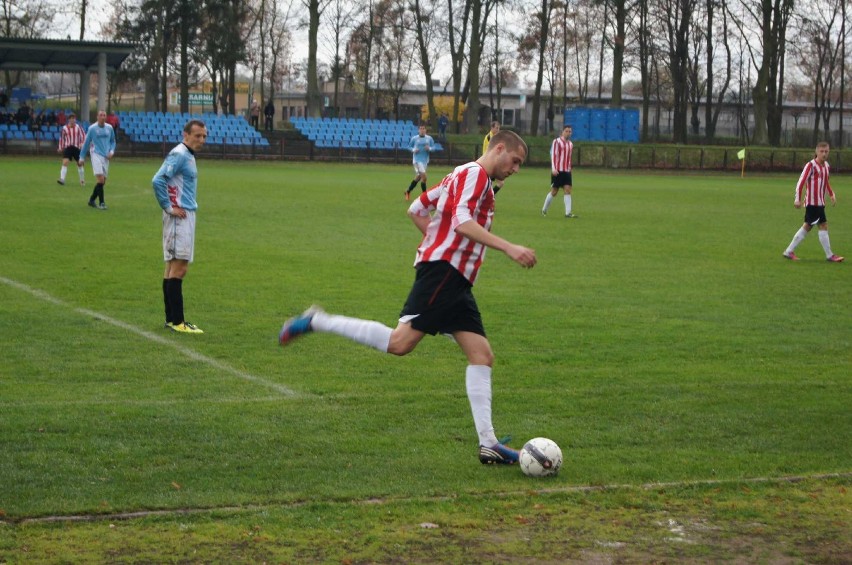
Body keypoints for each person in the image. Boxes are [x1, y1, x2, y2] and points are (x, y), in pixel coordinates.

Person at [279, 130, 537, 466]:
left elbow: (416, 209)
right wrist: (508, 247)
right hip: (444, 273)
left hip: (454, 278)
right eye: (515, 161)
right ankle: (317, 321)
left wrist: (438, 239)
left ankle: (488, 443)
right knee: (399, 343)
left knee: (481, 355)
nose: (516, 169)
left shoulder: (458, 173)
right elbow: (461, 221)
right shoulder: (475, 174)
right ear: (499, 148)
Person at [152, 119, 209, 334]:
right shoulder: (180, 154)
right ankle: (178, 322)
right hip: (179, 216)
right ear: (185, 135)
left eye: (204, 136)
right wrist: (168, 207)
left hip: (184, 215)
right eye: (197, 135)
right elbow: (158, 180)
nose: (201, 140)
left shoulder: (187, 155)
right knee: (179, 268)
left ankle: (171, 320)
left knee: (171, 267)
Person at [783, 141, 843, 262]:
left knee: (809, 226)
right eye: (822, 151)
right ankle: (829, 255)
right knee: (821, 225)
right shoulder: (810, 165)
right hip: (812, 203)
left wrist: (831, 194)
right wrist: (797, 199)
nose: (824, 154)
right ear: (816, 152)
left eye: (826, 151)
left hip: (820, 203)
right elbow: (801, 182)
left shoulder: (826, 166)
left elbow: (826, 182)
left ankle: (789, 251)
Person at [78, 109, 116, 210]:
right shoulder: (92, 128)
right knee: (100, 179)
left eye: (104, 115)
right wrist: (81, 157)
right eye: (101, 115)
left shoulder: (110, 128)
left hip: (106, 156)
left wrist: (111, 152)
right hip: (95, 154)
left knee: (103, 182)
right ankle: (102, 203)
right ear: (97, 117)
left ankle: (91, 200)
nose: (103, 117)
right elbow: (86, 143)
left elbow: (113, 141)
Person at [541, 124, 576, 218]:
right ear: (562, 132)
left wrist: (570, 168)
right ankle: (544, 209)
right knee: (554, 191)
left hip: (566, 170)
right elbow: (553, 155)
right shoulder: (556, 142)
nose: (568, 133)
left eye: (570, 131)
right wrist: (553, 168)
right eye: (566, 131)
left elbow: (569, 158)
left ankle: (568, 213)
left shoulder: (571, 144)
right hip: (558, 170)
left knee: (567, 190)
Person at [403, 124, 435, 201]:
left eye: (423, 128)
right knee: (424, 177)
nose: (422, 130)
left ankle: (408, 191)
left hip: (425, 161)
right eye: (420, 128)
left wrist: (429, 149)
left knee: (418, 177)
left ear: (425, 130)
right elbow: (408, 147)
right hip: (417, 161)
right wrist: (414, 150)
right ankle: (425, 196)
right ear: (418, 130)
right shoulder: (414, 138)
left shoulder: (429, 138)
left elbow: (433, 148)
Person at [56, 112, 86, 186]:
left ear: (75, 119)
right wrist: (60, 147)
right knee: (65, 162)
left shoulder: (79, 127)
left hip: (76, 148)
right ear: (68, 120)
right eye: (71, 118)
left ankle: (82, 180)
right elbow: (62, 139)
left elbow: (84, 136)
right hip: (68, 147)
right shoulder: (64, 128)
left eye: (73, 118)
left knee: (80, 164)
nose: (72, 120)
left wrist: (82, 143)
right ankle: (62, 179)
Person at [482, 121, 504, 194]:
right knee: (497, 183)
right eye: (496, 128)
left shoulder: (494, 137)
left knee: (495, 184)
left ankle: (489, 197)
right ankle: (489, 197)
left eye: (499, 128)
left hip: (492, 163)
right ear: (492, 128)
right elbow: (492, 151)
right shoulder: (490, 137)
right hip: (489, 163)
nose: (498, 130)